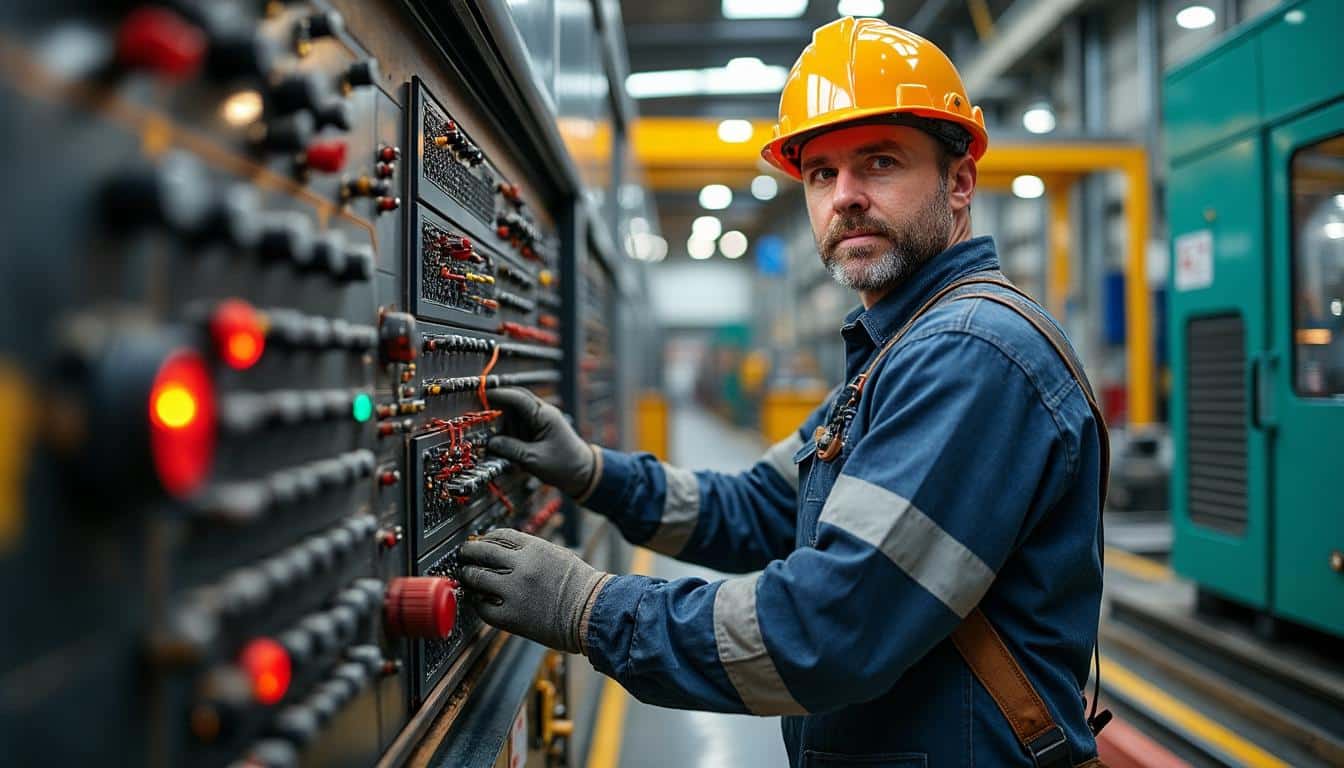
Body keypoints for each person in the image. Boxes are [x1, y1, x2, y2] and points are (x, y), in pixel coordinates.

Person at [459, 17, 1108, 767]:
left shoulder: (969, 353)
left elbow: (829, 630)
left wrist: (593, 609)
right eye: (822, 173)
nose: (846, 197)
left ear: (959, 182)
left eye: (881, 163)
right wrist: (597, 475)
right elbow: (760, 507)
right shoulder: (898, 349)